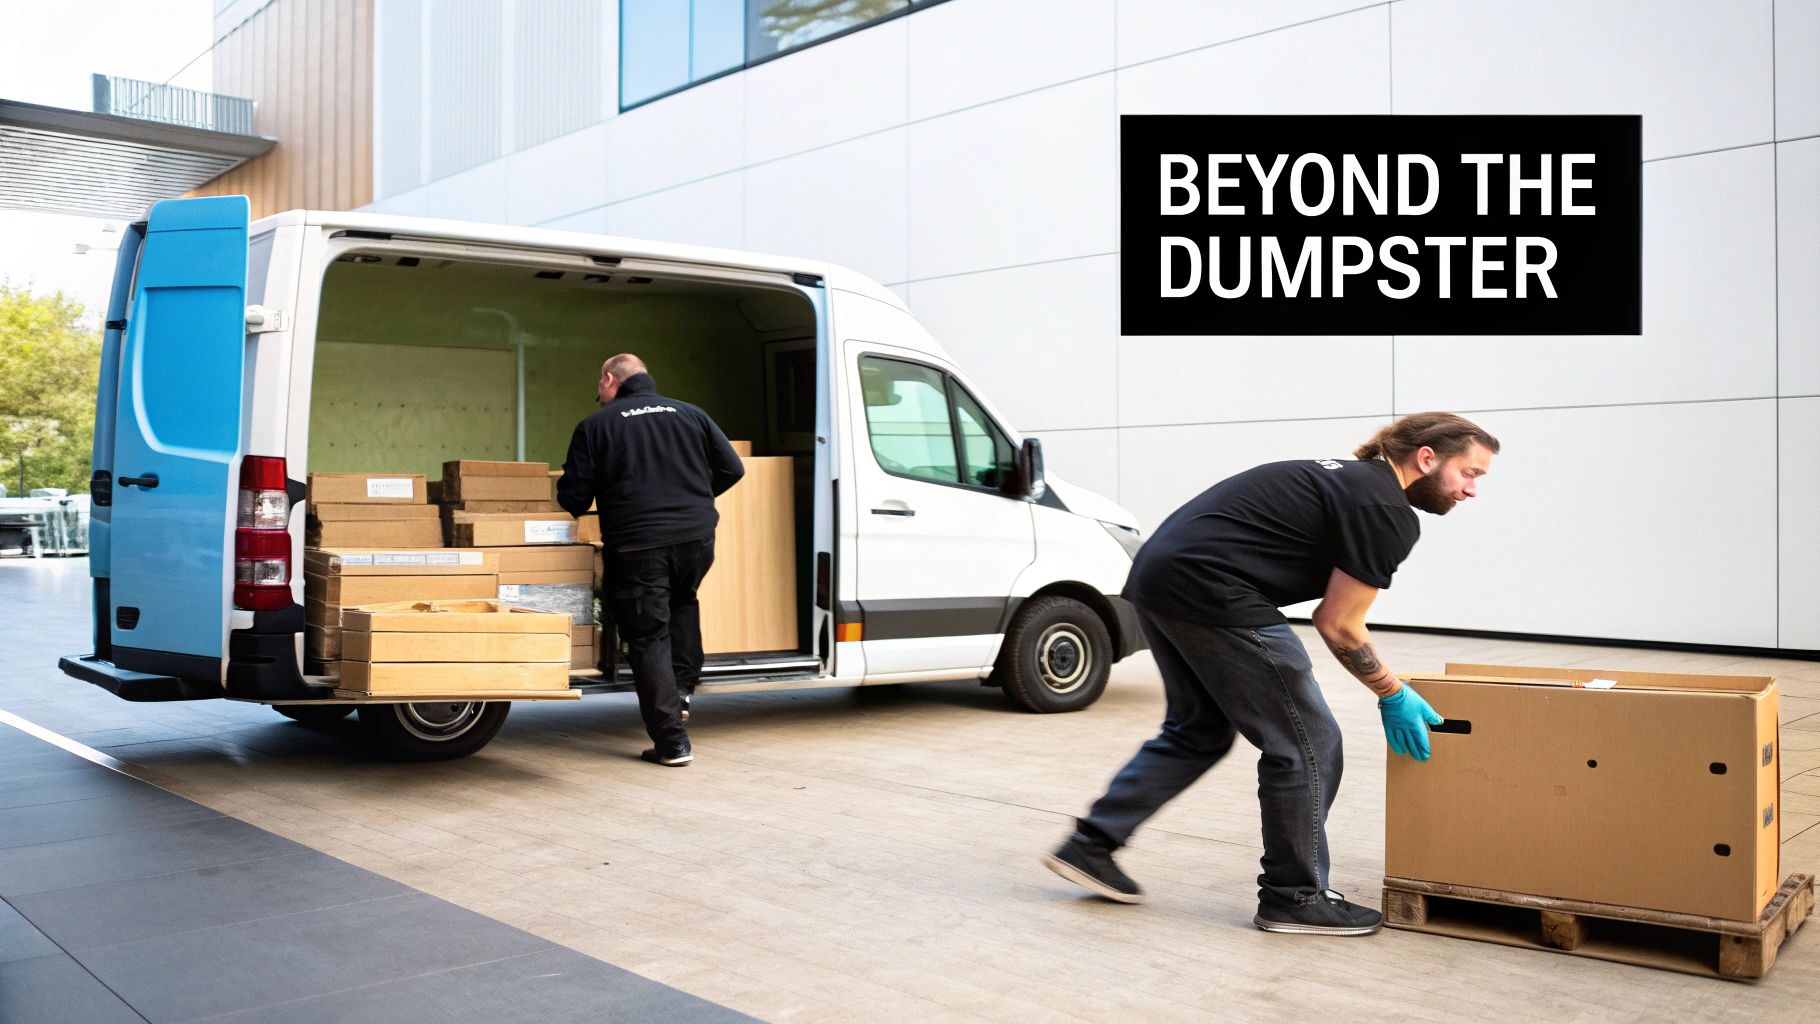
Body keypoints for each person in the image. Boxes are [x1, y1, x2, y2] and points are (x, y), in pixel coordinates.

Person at [1043, 412, 1499, 934]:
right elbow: (1340, 624)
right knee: (1309, 743)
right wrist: (1392, 692)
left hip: (1159, 579)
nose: (1471, 490)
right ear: (1426, 458)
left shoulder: (1344, 480)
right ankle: (1295, 896)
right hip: (1216, 591)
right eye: (1470, 473)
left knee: (1199, 731)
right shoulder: (1384, 509)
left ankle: (1091, 843)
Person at [558, 353, 745, 767]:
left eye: (598, 389)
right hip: (696, 539)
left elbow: (573, 497)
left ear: (610, 380)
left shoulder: (596, 426)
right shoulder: (690, 413)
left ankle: (672, 742)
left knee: (647, 636)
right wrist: (692, 496)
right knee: (682, 604)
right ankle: (679, 693)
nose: (598, 396)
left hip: (639, 546)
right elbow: (732, 468)